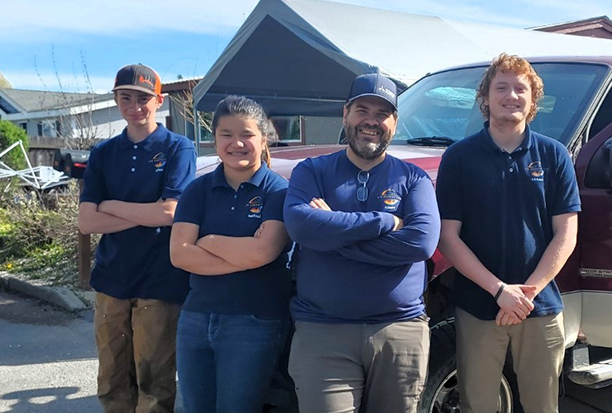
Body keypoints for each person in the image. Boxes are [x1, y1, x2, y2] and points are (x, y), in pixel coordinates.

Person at [283, 73, 441, 413]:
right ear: (345, 114)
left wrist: (332, 234)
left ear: (394, 122)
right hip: (323, 330)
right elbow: (300, 225)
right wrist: (385, 222)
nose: (371, 121)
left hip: (400, 330)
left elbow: (421, 243)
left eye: (382, 114)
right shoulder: (312, 171)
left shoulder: (413, 178)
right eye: (362, 110)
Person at [436, 53, 581, 413]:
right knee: (477, 405)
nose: (511, 96)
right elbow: (448, 237)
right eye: (501, 87)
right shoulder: (459, 157)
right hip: (478, 306)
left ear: (533, 100)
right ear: (485, 98)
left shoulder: (554, 155)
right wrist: (500, 291)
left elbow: (566, 234)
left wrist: (526, 294)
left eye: (521, 89)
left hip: (539, 306)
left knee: (542, 406)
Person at [77, 63, 195, 413]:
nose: (134, 106)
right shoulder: (103, 153)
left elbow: (170, 213)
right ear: (116, 100)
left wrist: (111, 206)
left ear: (158, 100)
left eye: (143, 98)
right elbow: (87, 221)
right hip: (111, 279)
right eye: (126, 97)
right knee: (112, 380)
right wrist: (147, 212)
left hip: (159, 280)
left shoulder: (178, 148)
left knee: (155, 383)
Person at [169, 95, 292, 413]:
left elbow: (263, 252)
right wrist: (244, 254)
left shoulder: (278, 192)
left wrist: (207, 240)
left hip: (254, 321)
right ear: (214, 139)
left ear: (263, 139)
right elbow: (180, 255)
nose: (236, 143)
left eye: (247, 134)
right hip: (196, 319)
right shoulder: (197, 190)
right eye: (227, 134)